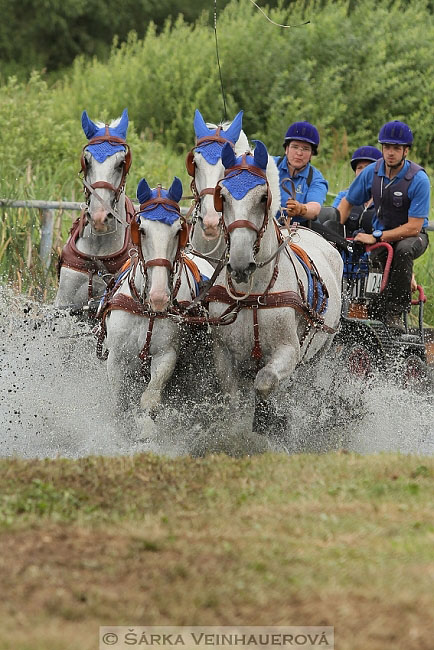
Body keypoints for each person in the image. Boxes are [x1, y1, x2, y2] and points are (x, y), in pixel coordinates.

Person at [337, 120, 430, 328]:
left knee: (403, 251)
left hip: (413, 236)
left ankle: (396, 312)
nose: (390, 152)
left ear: (406, 150)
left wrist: (376, 237)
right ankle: (369, 313)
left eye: (396, 148)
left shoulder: (419, 180)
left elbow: (414, 227)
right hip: (381, 235)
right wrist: (335, 232)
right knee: (370, 262)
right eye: (386, 147)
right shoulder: (372, 172)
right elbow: (347, 202)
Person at [274, 121, 328, 226]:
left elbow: (315, 208)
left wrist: (300, 209)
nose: (299, 153)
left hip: (301, 230)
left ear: (311, 154)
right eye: (295, 147)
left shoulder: (316, 178)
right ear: (286, 149)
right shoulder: (270, 165)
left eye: (305, 149)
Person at [333, 146, 382, 236]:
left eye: (368, 167)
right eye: (359, 168)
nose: (363, 172)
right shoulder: (343, 196)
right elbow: (333, 222)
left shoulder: (388, 196)